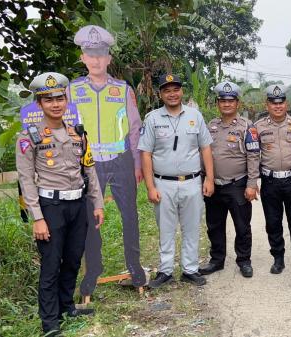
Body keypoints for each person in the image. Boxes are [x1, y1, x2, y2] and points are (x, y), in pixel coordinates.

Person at [16, 72, 104, 336]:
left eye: (59, 98)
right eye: (48, 99)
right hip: (50, 207)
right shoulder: (28, 136)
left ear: (66, 100)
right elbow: (26, 180)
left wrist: (97, 203)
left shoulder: (78, 134)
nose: (55, 104)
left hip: (77, 206)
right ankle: (50, 322)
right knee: (51, 264)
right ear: (39, 104)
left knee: (74, 258)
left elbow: (89, 170)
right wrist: (37, 218)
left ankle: (67, 306)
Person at [68, 25, 147, 294]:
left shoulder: (123, 90)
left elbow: (135, 129)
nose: (96, 59)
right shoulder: (72, 90)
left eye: (101, 54)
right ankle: (94, 269)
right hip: (89, 165)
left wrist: (137, 163)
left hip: (121, 160)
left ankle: (134, 266)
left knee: (130, 217)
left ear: (109, 58)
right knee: (91, 219)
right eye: (91, 54)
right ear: (83, 58)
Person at [139, 74, 215, 287]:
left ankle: (190, 270)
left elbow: (205, 148)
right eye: (167, 90)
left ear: (182, 91)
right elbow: (145, 153)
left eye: (176, 89)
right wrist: (150, 186)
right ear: (161, 94)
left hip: (192, 181)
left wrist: (209, 178)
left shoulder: (195, 116)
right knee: (166, 228)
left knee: (191, 227)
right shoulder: (152, 118)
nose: (172, 94)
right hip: (163, 183)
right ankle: (165, 271)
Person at [199, 81, 260, 278]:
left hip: (237, 184)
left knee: (242, 226)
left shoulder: (247, 127)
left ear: (237, 103)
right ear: (218, 103)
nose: (226, 104)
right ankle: (217, 260)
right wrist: (204, 179)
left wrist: (252, 184)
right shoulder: (211, 126)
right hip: (214, 185)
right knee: (214, 225)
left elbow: (253, 156)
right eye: (222, 101)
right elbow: (204, 154)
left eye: (230, 101)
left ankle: (244, 260)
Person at [255, 84, 291, 276]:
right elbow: (253, 155)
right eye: (273, 103)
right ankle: (278, 259)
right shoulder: (258, 127)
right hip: (269, 182)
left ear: (286, 104)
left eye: (281, 103)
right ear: (268, 104)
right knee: (273, 222)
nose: (277, 106)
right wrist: (253, 180)